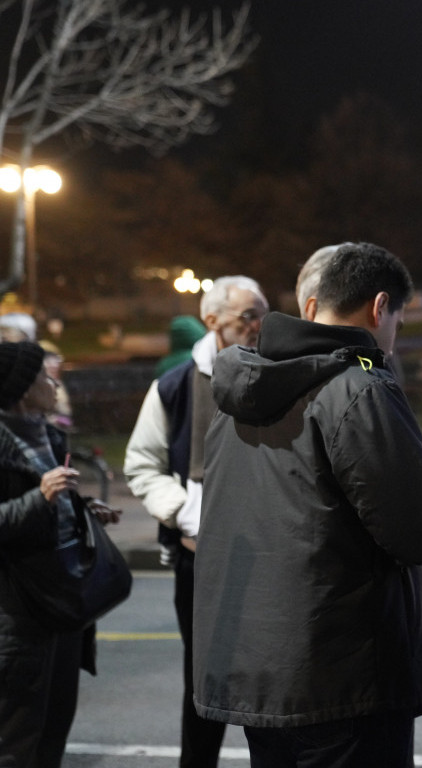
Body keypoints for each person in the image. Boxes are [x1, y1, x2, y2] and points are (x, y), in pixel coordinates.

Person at [192, 243, 422, 766]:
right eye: (399, 324)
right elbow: (416, 531)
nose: (393, 339)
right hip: (344, 674)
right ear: (379, 307)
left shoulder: (235, 392)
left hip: (260, 673)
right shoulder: (358, 389)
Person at [124, 275, 269, 768]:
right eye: (247, 316)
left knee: (270, 679)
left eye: (263, 314)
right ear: (212, 322)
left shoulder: (277, 370)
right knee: (205, 679)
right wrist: (189, 515)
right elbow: (142, 463)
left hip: (270, 553)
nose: (258, 325)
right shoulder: (176, 384)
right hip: (201, 557)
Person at [0, 340, 121, 767]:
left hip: (65, 609)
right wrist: (43, 497)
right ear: (20, 389)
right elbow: (25, 509)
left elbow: (53, 505)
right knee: (17, 745)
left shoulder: (49, 434)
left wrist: (83, 510)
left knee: (53, 734)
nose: (54, 382)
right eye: (42, 375)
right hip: (20, 618)